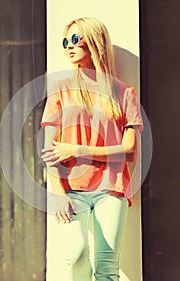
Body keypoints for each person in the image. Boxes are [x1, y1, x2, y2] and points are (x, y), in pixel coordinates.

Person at [41, 17, 143, 281]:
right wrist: (59, 193)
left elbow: (130, 151)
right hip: (72, 189)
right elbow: (48, 151)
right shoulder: (60, 89)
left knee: (107, 267)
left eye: (75, 39)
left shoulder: (124, 93)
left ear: (94, 41)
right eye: (65, 42)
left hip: (112, 188)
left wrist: (78, 150)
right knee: (75, 256)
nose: (69, 47)